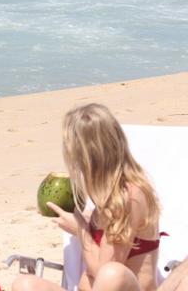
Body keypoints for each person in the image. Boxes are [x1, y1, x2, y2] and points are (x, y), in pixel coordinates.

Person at [13, 103, 164, 291]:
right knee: (26, 284)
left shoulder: (129, 197)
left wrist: (81, 231)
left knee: (112, 274)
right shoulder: (105, 196)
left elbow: (105, 274)